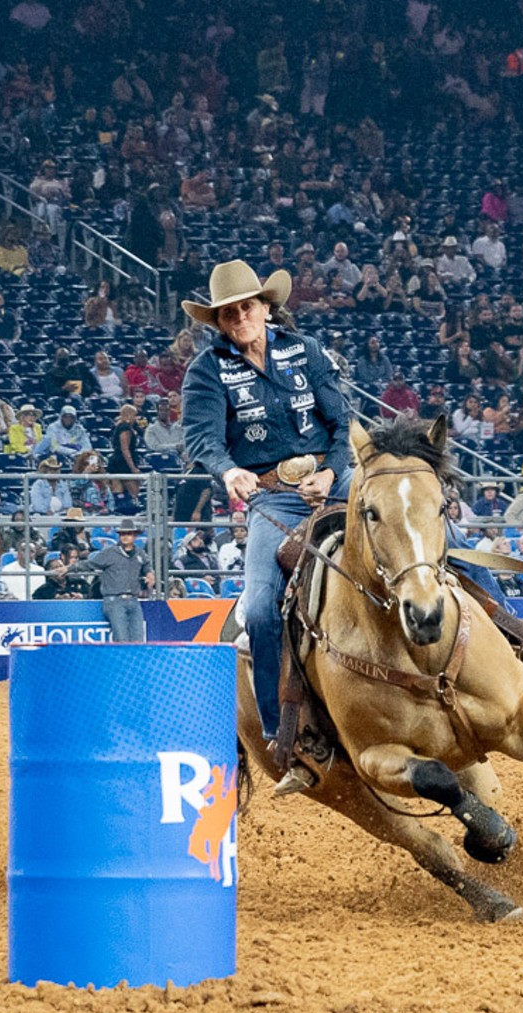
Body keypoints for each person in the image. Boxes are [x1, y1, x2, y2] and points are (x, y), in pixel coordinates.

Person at [180, 259, 353, 793]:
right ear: (219, 321)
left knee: (429, 530)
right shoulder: (208, 370)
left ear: (266, 306)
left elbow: (341, 421)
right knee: (258, 607)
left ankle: (512, 637)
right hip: (273, 498)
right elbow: (201, 437)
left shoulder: (307, 351)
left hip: (335, 482)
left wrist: (331, 471)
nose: (239, 317)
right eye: (228, 313)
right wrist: (228, 469)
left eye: (246, 307)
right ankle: (285, 734)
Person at [72, 521, 153, 640]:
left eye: (129, 534)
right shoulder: (109, 553)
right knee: (121, 639)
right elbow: (90, 564)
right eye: (122, 534)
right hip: (114, 600)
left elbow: (146, 564)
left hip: (133, 599)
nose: (125, 536)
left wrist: (149, 573)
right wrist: (70, 568)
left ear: (134, 536)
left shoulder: (140, 553)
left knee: (139, 639)